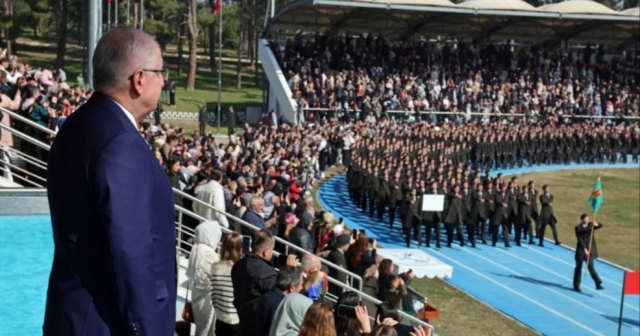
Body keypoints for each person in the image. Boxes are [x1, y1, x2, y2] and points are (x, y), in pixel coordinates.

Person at [44, 28, 176, 335]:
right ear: (139, 79)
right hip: (107, 321)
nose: (164, 80)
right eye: (161, 72)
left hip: (73, 314)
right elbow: (131, 251)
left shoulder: (77, 125)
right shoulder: (120, 142)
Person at [232, 230, 297, 336]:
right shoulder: (265, 272)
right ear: (266, 251)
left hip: (242, 321)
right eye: (272, 249)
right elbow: (279, 294)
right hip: (257, 327)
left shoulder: (238, 264)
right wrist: (289, 270)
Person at [186, 221, 222, 336]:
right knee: (206, 332)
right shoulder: (208, 253)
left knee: (201, 330)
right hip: (207, 301)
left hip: (197, 296)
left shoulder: (196, 248)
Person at [256, 266, 303, 336]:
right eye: (301, 285)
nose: (302, 288)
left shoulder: (266, 296)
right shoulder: (282, 307)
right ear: (292, 287)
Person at [211, 232, 243, 336]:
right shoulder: (240, 268)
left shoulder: (214, 267)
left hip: (220, 318)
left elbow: (214, 296)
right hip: (235, 319)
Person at [573, 214, 604, 292]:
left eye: (588, 218)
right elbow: (580, 239)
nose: (587, 220)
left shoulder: (591, 225)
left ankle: (598, 282)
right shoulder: (578, 228)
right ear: (582, 219)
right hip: (581, 250)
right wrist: (585, 249)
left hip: (589, 250)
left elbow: (600, 225)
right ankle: (576, 285)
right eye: (585, 218)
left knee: (591, 267)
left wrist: (597, 224)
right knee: (578, 268)